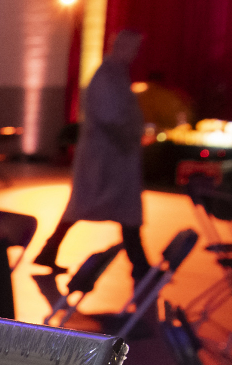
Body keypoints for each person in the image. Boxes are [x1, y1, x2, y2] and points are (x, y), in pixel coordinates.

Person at [33, 29, 151, 281]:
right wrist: (129, 138)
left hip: (112, 156)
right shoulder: (107, 76)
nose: (136, 54)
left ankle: (140, 265)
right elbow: (110, 118)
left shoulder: (115, 74)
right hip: (106, 157)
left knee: (101, 208)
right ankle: (141, 266)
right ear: (121, 47)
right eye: (134, 48)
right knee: (109, 209)